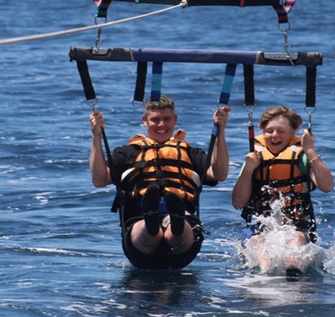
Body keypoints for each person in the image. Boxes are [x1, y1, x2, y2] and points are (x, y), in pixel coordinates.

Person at [90, 95, 230, 270]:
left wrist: (220, 132)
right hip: (138, 229)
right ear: (145, 121)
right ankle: (152, 223)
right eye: (155, 120)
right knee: (146, 231)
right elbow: (99, 180)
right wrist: (96, 136)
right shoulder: (127, 153)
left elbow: (219, 174)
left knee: (178, 231)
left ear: (175, 120)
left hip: (183, 237)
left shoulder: (192, 153)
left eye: (166, 119)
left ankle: (174, 221)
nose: (161, 125)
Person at [231, 105, 334, 274]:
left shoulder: (301, 158)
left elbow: (327, 186)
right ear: (262, 132)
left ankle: (293, 271)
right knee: (258, 243)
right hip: (261, 227)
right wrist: (249, 169)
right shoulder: (254, 159)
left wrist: (310, 151)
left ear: (293, 133)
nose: (274, 135)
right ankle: (264, 275)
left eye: (281, 131)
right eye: (269, 130)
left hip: (296, 226)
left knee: (296, 240)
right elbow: (237, 203)